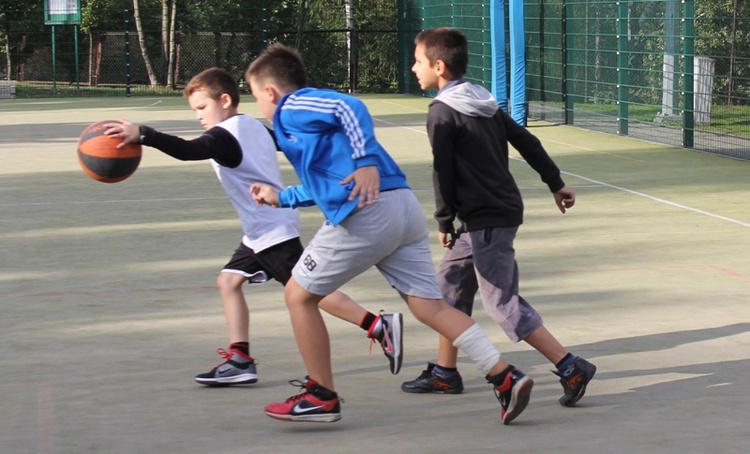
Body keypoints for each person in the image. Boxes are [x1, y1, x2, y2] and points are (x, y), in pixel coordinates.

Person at [246, 43, 533, 425]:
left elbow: (351, 107)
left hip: (369, 214)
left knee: (298, 295)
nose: (260, 106)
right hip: (401, 208)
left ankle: (321, 395)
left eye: (255, 97)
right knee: (429, 307)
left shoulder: (294, 106)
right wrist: (282, 197)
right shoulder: (309, 133)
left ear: (269, 92)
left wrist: (365, 163)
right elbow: (330, 183)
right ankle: (503, 375)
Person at [102, 67, 403, 386]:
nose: (199, 116)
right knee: (228, 282)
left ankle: (377, 325)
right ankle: (240, 360)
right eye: (195, 111)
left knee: (308, 291)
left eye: (202, 108)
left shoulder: (223, 135)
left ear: (226, 99)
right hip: (262, 229)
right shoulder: (251, 125)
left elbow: (190, 150)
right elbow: (285, 143)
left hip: (272, 229)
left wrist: (145, 135)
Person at [404, 27, 596, 407]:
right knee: (447, 288)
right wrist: (555, 183)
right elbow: (527, 140)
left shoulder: (442, 112)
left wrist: (443, 221)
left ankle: (570, 365)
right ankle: (445, 372)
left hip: (486, 219)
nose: (413, 68)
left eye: (418, 61)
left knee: (501, 303)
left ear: (438, 66)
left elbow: (443, 171)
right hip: (489, 215)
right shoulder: (482, 101)